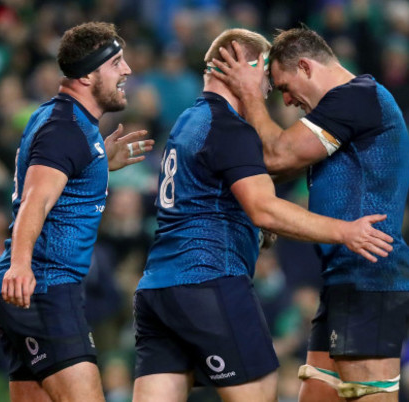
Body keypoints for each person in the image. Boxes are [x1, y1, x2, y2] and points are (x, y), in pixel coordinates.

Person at [132, 28, 395, 402]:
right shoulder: (229, 127)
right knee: (259, 393)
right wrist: (345, 232)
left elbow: (212, 195)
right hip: (210, 280)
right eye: (268, 82)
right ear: (248, 67)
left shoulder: (185, 123)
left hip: (156, 288)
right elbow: (265, 208)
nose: (271, 93)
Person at [210, 26, 409, 401]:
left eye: (285, 86)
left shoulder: (358, 97)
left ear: (305, 66)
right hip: (345, 277)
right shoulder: (345, 115)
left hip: (371, 275)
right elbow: (274, 169)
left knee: (367, 395)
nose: (287, 100)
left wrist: (246, 91)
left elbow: (276, 155)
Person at [0, 22, 153, 402]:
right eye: (117, 63)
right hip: (43, 286)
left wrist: (98, 162)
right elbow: (36, 199)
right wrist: (22, 265)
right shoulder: (66, 128)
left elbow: (55, 182)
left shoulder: (62, 120)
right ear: (89, 74)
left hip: (29, 290)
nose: (127, 71)